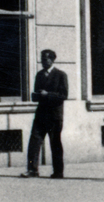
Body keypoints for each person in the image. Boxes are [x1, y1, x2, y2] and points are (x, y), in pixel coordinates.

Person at [21, 49, 69, 179]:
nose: (43, 61)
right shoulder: (39, 75)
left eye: (45, 59)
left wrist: (48, 95)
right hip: (41, 114)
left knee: (55, 143)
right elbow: (36, 94)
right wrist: (36, 95)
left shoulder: (60, 75)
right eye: (42, 59)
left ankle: (58, 172)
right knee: (34, 141)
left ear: (52, 60)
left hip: (54, 115)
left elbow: (64, 95)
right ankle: (32, 170)